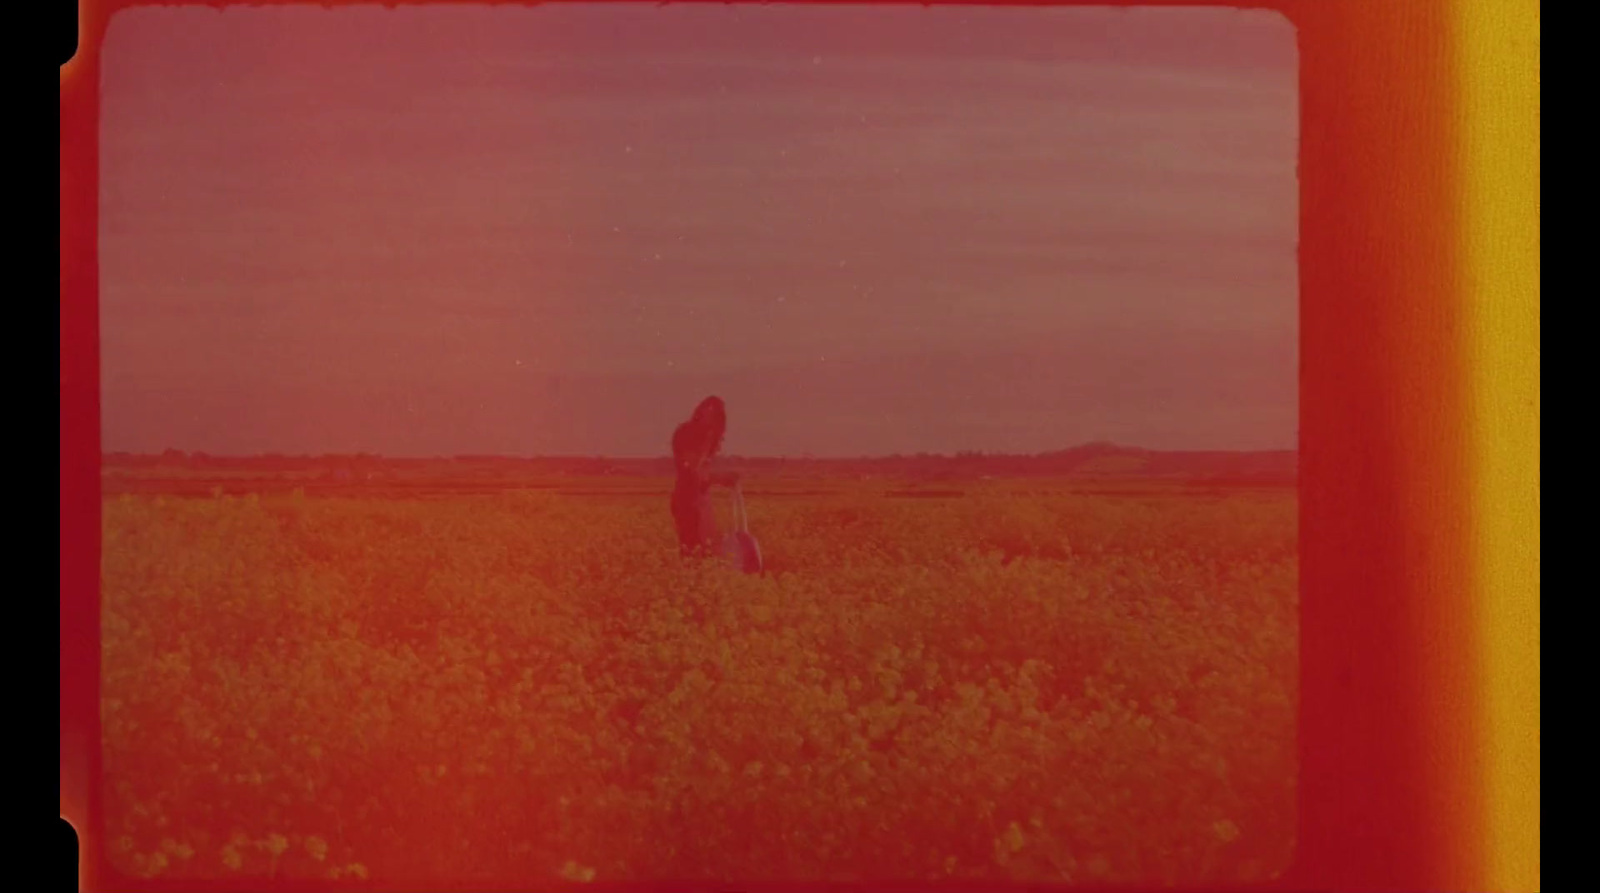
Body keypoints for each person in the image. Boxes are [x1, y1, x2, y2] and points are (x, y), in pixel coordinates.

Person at [670, 396, 740, 557]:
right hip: (686, 499)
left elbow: (703, 475)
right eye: (706, 412)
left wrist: (721, 479)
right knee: (693, 547)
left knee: (707, 548)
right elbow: (692, 469)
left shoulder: (707, 439)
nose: (708, 419)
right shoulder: (686, 433)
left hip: (701, 498)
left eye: (714, 416)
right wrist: (706, 443)